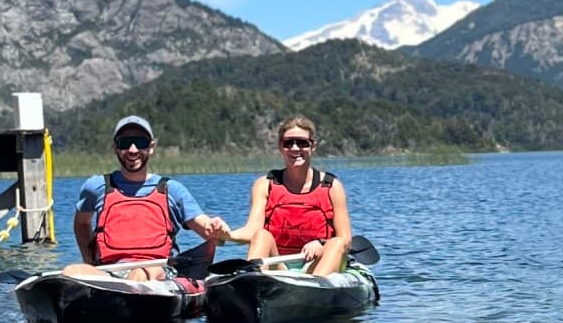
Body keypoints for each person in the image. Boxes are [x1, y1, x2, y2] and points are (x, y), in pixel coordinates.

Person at [71, 117, 231, 277]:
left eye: (140, 142)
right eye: (125, 143)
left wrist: (215, 228)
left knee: (139, 273)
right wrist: (90, 260)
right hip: (110, 272)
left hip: (158, 272)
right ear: (115, 148)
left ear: (151, 147)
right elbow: (82, 223)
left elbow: (208, 231)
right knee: (71, 272)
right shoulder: (95, 187)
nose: (133, 150)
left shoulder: (172, 190)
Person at [239, 117, 353, 277]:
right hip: (278, 264)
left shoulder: (332, 186)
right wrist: (225, 235)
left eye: (302, 143)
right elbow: (251, 230)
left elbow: (346, 239)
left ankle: (314, 289)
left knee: (338, 242)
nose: (294, 148)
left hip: (316, 264)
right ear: (280, 146)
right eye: (288, 143)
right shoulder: (265, 184)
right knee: (261, 235)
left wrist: (321, 243)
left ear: (312, 146)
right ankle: (254, 280)